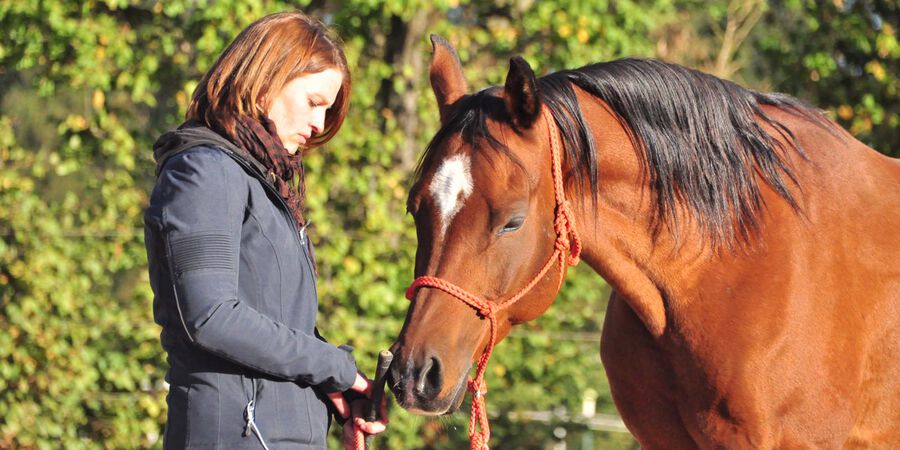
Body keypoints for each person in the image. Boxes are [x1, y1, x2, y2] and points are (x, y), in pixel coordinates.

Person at [144, 11, 386, 450]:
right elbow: (211, 316)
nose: (318, 126)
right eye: (315, 102)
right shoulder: (204, 171)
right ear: (266, 79)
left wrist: (332, 393)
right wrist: (335, 365)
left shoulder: (262, 186)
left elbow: (274, 325)